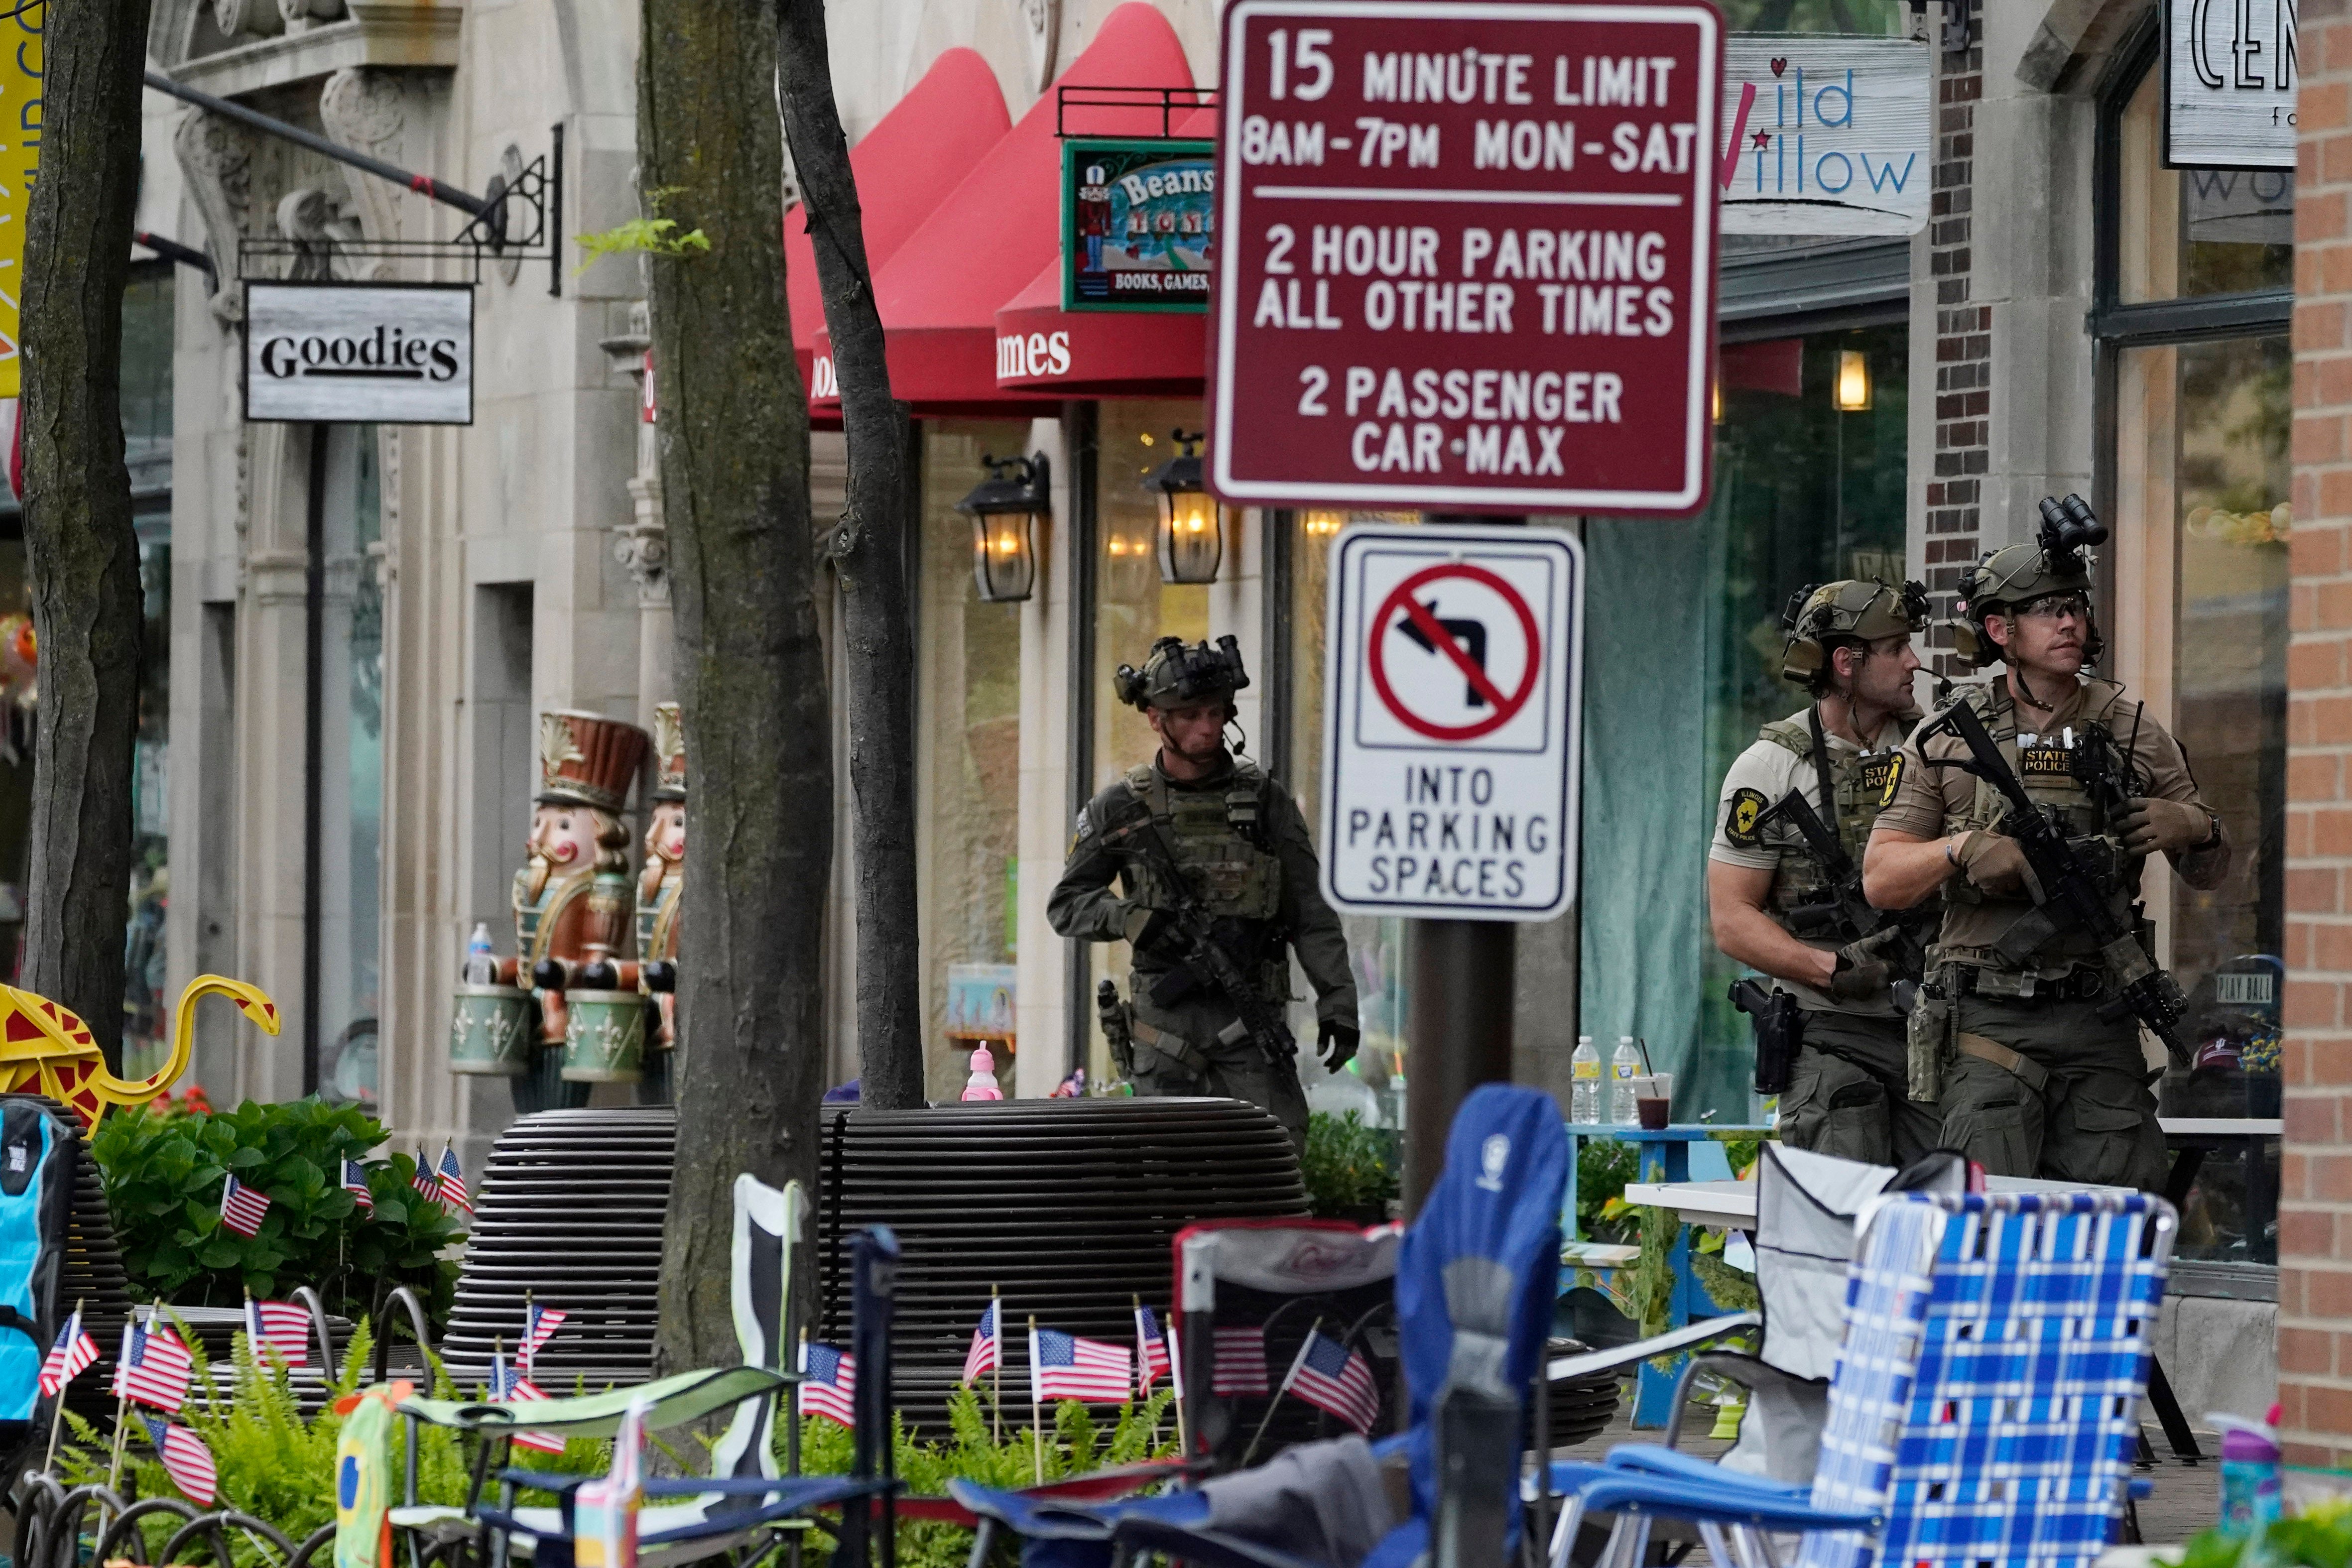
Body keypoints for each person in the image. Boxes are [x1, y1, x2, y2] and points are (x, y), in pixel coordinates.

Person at [1862, 515, 2231, 1190]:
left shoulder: (2131, 728)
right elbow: (1881, 878)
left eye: (2076, 608)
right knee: (1986, 1225)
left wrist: (2190, 826)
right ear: (1999, 630)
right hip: (1987, 1021)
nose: (2068, 623)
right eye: (2046, 610)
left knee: (2113, 1219)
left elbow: (2210, 869)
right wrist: (1960, 848)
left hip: (2099, 1016)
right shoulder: (1946, 738)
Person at [1048, 635, 1359, 1147]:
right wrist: (1132, 919)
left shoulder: (1264, 801)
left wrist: (1338, 1003)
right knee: (1165, 1167)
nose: (1208, 727)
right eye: (1190, 714)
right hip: (1163, 1028)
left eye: (1216, 712)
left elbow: (1310, 911)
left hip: (1250, 1017)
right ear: (1155, 718)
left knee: (1276, 1150)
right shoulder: (1120, 808)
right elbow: (1067, 903)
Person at [1710, 579, 1939, 1164]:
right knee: (1844, 1218)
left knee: (1944, 1220)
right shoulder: (1770, 766)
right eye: (1895, 648)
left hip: (1931, 1026)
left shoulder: (1934, 749)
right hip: (1829, 1031)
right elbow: (1732, 917)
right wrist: (1830, 968)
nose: (1914, 660)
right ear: (1845, 662)